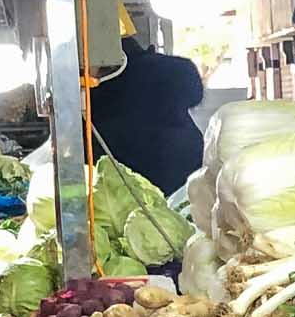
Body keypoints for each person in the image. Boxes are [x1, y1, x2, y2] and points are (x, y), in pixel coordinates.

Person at [88, 34, 210, 198]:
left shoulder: (100, 91)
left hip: (134, 188)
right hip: (182, 176)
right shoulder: (172, 69)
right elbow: (195, 94)